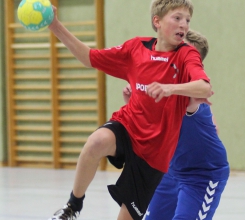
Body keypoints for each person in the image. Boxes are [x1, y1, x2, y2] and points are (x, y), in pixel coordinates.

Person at [48, 1, 213, 219]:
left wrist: (170, 88)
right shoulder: (136, 48)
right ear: (157, 21)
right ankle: (72, 206)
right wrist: (55, 25)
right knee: (96, 142)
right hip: (128, 126)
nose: (184, 25)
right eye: (177, 18)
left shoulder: (186, 55)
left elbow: (205, 86)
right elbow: (89, 57)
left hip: (155, 153)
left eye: (187, 20)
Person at [137, 30, 227, 220]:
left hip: (202, 175)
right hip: (171, 170)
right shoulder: (165, 84)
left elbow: (200, 92)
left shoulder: (192, 92)